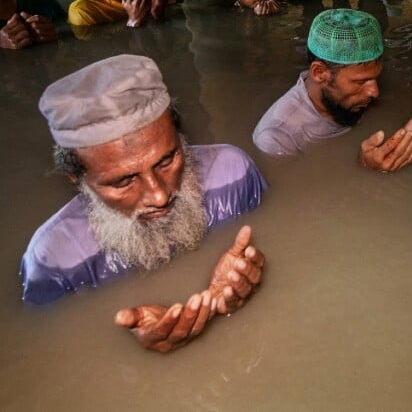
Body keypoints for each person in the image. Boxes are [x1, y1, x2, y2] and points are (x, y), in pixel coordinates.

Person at [22, 55, 267, 353]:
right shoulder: (55, 259)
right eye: (124, 181)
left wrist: (249, 279)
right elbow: (58, 356)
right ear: (77, 178)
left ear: (180, 136)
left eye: (167, 160)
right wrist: (126, 348)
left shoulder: (232, 171)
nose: (160, 195)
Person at [253, 8, 412, 170]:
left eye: (376, 77)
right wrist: (364, 168)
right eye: (361, 82)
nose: (374, 91)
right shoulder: (277, 138)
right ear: (319, 73)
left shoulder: (357, 93)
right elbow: (307, 199)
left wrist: (407, 139)